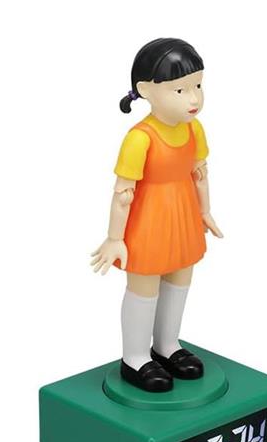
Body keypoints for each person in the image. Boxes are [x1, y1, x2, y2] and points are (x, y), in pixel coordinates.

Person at [90, 38, 223, 392]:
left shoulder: (194, 129)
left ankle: (167, 345)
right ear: (146, 90)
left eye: (198, 86)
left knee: (180, 277)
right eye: (180, 89)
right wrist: (115, 238)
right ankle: (135, 357)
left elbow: (199, 173)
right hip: (149, 222)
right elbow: (123, 193)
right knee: (145, 285)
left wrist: (205, 211)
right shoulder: (140, 138)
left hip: (183, 216)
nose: (194, 98)